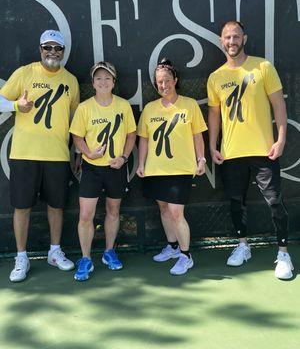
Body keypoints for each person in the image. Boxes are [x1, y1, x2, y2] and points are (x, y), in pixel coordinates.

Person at [207, 20, 293, 280]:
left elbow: (278, 105)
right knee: (236, 203)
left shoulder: (263, 66)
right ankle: (243, 246)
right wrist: (212, 146)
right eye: (227, 38)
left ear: (244, 38)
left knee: (275, 202)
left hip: (264, 151)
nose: (231, 42)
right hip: (231, 153)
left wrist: (280, 140)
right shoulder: (216, 77)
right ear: (221, 41)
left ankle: (283, 253)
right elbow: (214, 115)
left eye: (235, 37)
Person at [0, 30, 80, 282]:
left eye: (58, 48)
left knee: (57, 206)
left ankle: (54, 252)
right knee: (21, 207)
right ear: (40, 49)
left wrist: (77, 150)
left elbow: (75, 120)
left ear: (63, 52)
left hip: (57, 154)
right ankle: (21, 257)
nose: (52, 52)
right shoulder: (25, 73)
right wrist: (16, 106)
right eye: (48, 47)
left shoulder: (71, 81)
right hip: (24, 154)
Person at [136, 58, 207, 276]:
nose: (163, 86)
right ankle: (173, 247)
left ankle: (186, 256)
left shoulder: (190, 105)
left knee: (177, 212)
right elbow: (145, 140)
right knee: (164, 209)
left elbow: (197, 136)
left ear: (175, 80)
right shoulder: (149, 108)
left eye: (167, 80)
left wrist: (201, 159)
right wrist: (141, 164)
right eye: (159, 82)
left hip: (181, 169)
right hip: (156, 169)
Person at [70, 61, 136, 281]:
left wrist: (124, 158)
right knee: (86, 215)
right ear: (93, 82)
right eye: (99, 78)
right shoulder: (84, 108)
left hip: (115, 169)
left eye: (107, 78)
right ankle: (86, 259)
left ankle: (109, 252)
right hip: (91, 169)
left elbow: (131, 135)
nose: (103, 81)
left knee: (113, 211)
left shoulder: (123, 106)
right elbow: (77, 137)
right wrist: (89, 153)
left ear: (114, 81)